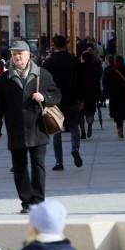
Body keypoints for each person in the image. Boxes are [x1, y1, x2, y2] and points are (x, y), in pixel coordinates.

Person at [0, 40, 62, 214]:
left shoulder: (42, 75)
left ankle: (38, 201)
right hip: (16, 129)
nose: (17, 56)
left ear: (29, 55)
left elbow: (57, 94)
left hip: (38, 127)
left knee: (38, 166)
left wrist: (44, 96)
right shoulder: (5, 79)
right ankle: (26, 202)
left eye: (21, 53)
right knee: (19, 168)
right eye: (14, 54)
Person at [43, 35, 83, 170]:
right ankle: (75, 148)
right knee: (73, 126)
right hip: (71, 98)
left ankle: (59, 162)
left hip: (55, 100)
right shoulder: (74, 60)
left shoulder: (49, 62)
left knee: (57, 131)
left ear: (53, 45)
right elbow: (80, 81)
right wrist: (80, 99)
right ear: (66, 44)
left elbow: (43, 82)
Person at [102, 55, 125, 138]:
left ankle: (120, 132)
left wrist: (110, 94)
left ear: (115, 61)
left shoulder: (112, 71)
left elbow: (108, 84)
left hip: (116, 96)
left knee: (118, 115)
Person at [78, 51, 102, 139]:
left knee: (81, 113)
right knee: (90, 113)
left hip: (80, 94)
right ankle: (90, 125)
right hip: (91, 94)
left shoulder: (79, 68)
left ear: (83, 58)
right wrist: (98, 94)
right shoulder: (94, 68)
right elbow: (97, 82)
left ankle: (82, 131)